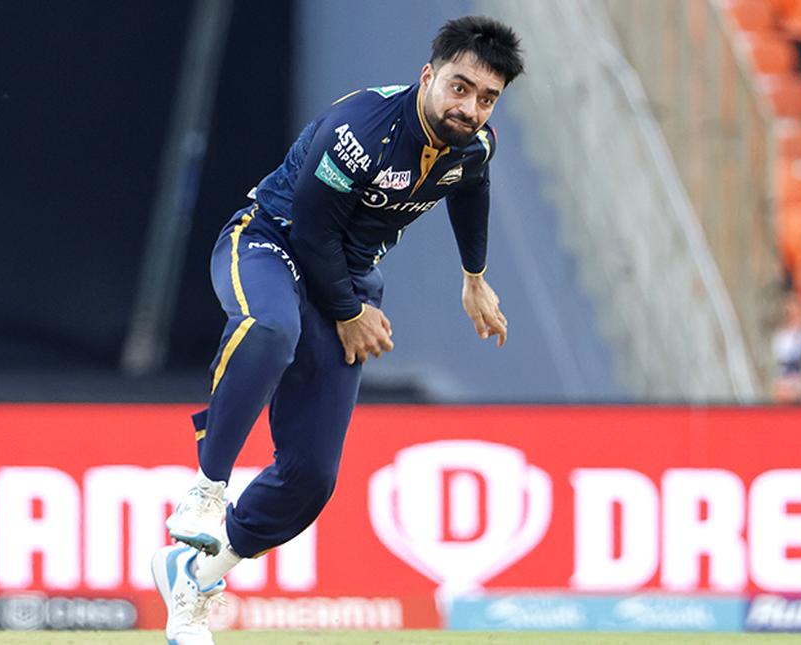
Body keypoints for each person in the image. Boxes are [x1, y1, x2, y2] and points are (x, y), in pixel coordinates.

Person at [151, 15, 523, 644]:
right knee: (272, 329)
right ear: (429, 75)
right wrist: (350, 312)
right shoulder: (361, 130)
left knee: (310, 479)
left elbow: (470, 185)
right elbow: (310, 232)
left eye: (487, 98)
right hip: (269, 242)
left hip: (346, 280)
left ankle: (193, 576)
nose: (471, 108)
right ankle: (208, 490)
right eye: (460, 88)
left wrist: (474, 276)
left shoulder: (473, 145)